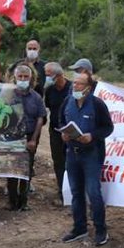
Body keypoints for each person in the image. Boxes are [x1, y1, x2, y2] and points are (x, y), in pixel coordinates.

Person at [60, 70, 113, 246]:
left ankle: (100, 229)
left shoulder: (97, 104)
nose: (75, 86)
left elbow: (108, 128)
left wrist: (92, 135)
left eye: (79, 83)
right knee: (76, 192)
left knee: (93, 192)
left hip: (91, 155)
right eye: (74, 82)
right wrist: (64, 134)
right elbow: (60, 121)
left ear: (88, 88)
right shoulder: (68, 102)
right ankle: (79, 228)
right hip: (72, 153)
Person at [6, 63, 46, 211]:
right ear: (15, 78)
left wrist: (34, 139)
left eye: (26, 77)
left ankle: (23, 202)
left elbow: (40, 118)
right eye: (20, 76)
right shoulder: (8, 94)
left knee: (26, 170)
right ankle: (12, 201)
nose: (23, 79)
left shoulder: (36, 97)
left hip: (29, 135)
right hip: (12, 136)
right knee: (11, 169)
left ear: (31, 78)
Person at [42, 62, 71, 205]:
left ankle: (73, 190)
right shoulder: (49, 90)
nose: (45, 77)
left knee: (70, 161)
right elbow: (48, 106)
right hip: (54, 131)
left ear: (58, 75)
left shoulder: (72, 89)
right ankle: (62, 191)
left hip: (71, 132)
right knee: (58, 162)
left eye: (48, 75)